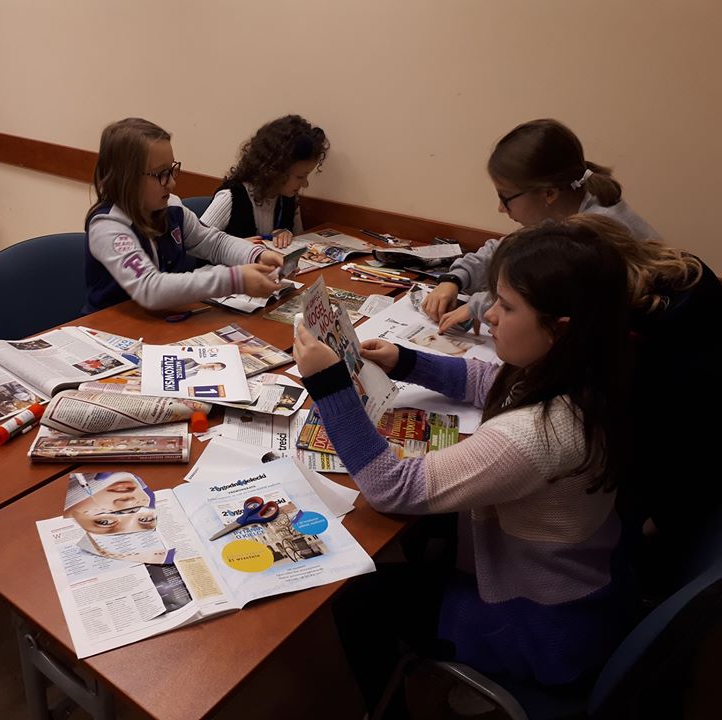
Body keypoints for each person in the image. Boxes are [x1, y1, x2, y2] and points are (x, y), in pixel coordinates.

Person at [294, 221, 634, 711]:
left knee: (357, 596)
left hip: (541, 623)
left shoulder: (538, 434)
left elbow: (393, 488)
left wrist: (330, 387)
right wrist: (405, 361)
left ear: (560, 329)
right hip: (581, 580)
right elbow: (489, 381)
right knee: (422, 541)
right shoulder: (584, 370)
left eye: (507, 307)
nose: (488, 314)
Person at [565, 214, 722, 594]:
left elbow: (690, 435)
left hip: (669, 498)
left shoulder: (657, 336)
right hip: (673, 474)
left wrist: (660, 521)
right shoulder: (677, 276)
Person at [423, 118, 658, 333]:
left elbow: (542, 303)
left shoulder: (590, 237)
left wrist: (477, 306)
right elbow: (509, 251)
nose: (501, 208)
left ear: (548, 193)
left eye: (505, 197)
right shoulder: (563, 208)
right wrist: (455, 279)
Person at [83, 118, 284, 313]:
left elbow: (215, 243)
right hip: (109, 328)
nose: (172, 183)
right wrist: (234, 279)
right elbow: (150, 288)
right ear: (126, 178)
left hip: (160, 321)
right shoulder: (108, 227)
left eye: (172, 170)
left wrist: (257, 255)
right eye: (161, 174)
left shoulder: (171, 208)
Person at [200, 115, 329, 249]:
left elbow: (300, 241)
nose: (305, 184)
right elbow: (196, 245)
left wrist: (288, 234)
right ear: (277, 170)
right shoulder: (231, 197)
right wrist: (234, 247)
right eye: (300, 176)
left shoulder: (288, 198)